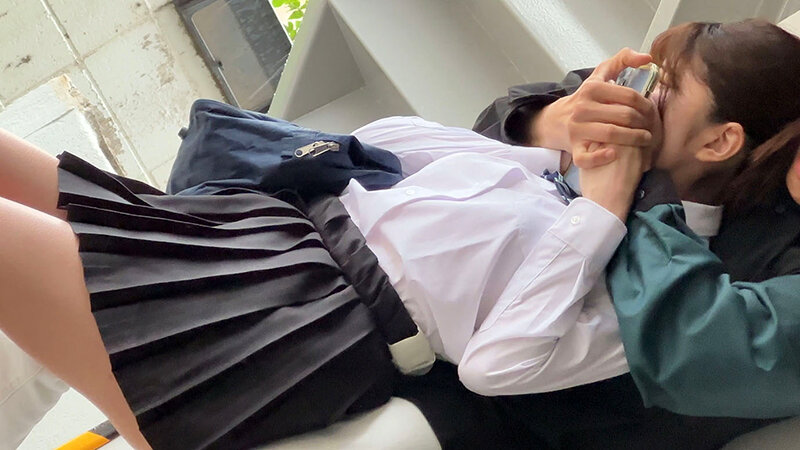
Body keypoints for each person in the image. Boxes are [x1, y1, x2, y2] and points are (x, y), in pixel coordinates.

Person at [0, 20, 795, 450]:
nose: (637, 97)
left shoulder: (663, 262)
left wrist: (605, 205)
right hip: (280, 237)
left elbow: (502, 363)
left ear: (722, 140)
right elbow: (398, 153)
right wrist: (552, 130)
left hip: (297, 314)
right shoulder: (597, 165)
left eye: (663, 89)